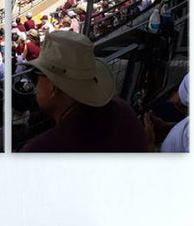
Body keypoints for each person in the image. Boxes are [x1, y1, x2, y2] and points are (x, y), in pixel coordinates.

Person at [20, 31, 148, 153]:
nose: (35, 84)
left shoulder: (39, 151)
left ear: (53, 87)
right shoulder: (123, 110)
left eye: (35, 76)